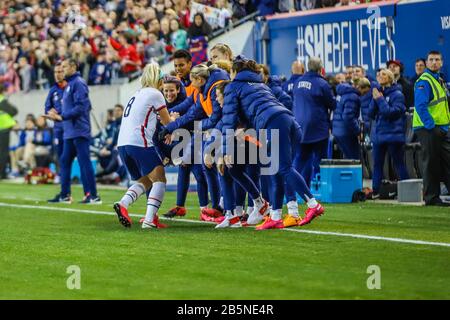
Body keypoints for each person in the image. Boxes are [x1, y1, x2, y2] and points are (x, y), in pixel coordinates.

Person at [219, 56, 325, 229]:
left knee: (284, 168)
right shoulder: (260, 84)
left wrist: (227, 150)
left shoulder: (233, 86)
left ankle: (313, 205)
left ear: (234, 71)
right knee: (276, 170)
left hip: (273, 123)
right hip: (289, 122)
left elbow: (229, 119)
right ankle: (275, 215)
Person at [113, 63, 173, 229]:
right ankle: (149, 220)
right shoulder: (155, 94)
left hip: (123, 144)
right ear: (158, 79)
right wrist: (175, 119)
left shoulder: (136, 94)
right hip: (139, 141)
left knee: (146, 179)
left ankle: (123, 203)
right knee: (160, 178)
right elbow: (168, 122)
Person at [46, 59, 101, 204]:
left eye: (64, 67)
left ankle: (93, 195)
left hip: (79, 130)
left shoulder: (79, 83)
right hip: (69, 131)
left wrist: (61, 116)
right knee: (64, 162)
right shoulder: (70, 84)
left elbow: (81, 107)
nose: (62, 70)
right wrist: (56, 115)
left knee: (84, 162)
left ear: (73, 67)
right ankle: (65, 194)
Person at [412, 51, 450, 207]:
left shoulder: (439, 79)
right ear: (427, 63)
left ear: (441, 63)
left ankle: (434, 196)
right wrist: (431, 126)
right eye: (431, 60)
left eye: (437, 60)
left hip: (441, 127)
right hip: (429, 128)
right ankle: (431, 198)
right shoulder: (425, 81)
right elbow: (420, 106)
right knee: (431, 163)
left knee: (445, 162)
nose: (434, 62)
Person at [292, 57, 336, 187]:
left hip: (300, 127)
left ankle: (292, 187)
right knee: (320, 160)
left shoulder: (298, 82)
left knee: (300, 159)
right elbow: (332, 104)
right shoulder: (322, 84)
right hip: (318, 128)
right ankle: (320, 187)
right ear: (320, 69)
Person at [369, 68, 409, 199]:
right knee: (377, 164)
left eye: (384, 74)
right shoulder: (379, 93)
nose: (380, 76)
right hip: (380, 135)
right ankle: (375, 191)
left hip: (394, 135)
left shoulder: (398, 94)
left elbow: (390, 113)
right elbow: (370, 114)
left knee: (398, 163)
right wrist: (375, 99)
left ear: (391, 78)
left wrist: (380, 100)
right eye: (379, 74)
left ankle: (407, 190)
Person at [44, 62, 67, 168]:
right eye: (55, 72)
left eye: (60, 72)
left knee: (70, 153)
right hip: (58, 128)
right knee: (59, 153)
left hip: (70, 127)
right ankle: (61, 176)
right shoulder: (53, 90)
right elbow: (47, 108)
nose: (57, 74)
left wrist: (61, 116)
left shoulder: (71, 87)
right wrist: (50, 113)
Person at [332, 81, 361, 160]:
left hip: (337, 131)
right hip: (347, 132)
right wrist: (358, 130)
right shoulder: (352, 96)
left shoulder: (341, 94)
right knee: (354, 161)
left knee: (347, 160)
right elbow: (348, 116)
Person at [0, 83, 18, 179]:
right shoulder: (2, 101)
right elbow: (14, 111)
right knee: (3, 152)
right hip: (3, 129)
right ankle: (2, 174)